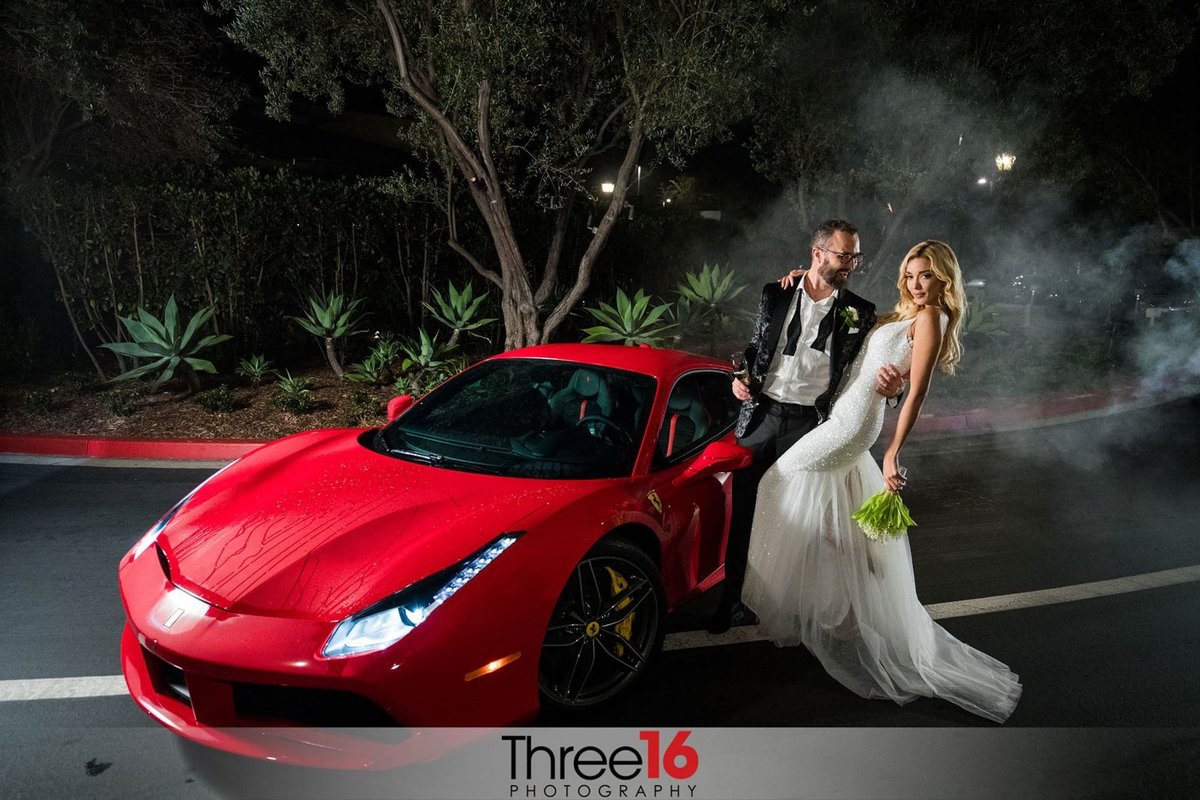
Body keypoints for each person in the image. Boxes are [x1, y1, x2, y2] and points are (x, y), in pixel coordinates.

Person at [742, 240, 1022, 722]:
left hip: (855, 424)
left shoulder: (930, 319)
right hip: (842, 414)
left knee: (778, 482)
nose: (916, 283)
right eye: (912, 274)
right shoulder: (902, 312)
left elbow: (915, 395)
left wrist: (892, 451)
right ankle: (855, 592)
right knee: (823, 503)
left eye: (927, 276)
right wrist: (800, 279)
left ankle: (842, 593)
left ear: (944, 280)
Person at [708, 218, 904, 634]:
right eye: (843, 254)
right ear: (818, 253)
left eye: (855, 255)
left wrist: (894, 390)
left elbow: (871, 373)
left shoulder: (860, 313)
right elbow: (757, 348)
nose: (851, 263)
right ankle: (732, 603)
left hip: (810, 428)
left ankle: (803, 605)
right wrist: (740, 379)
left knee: (807, 521)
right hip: (761, 418)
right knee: (744, 515)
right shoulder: (774, 294)